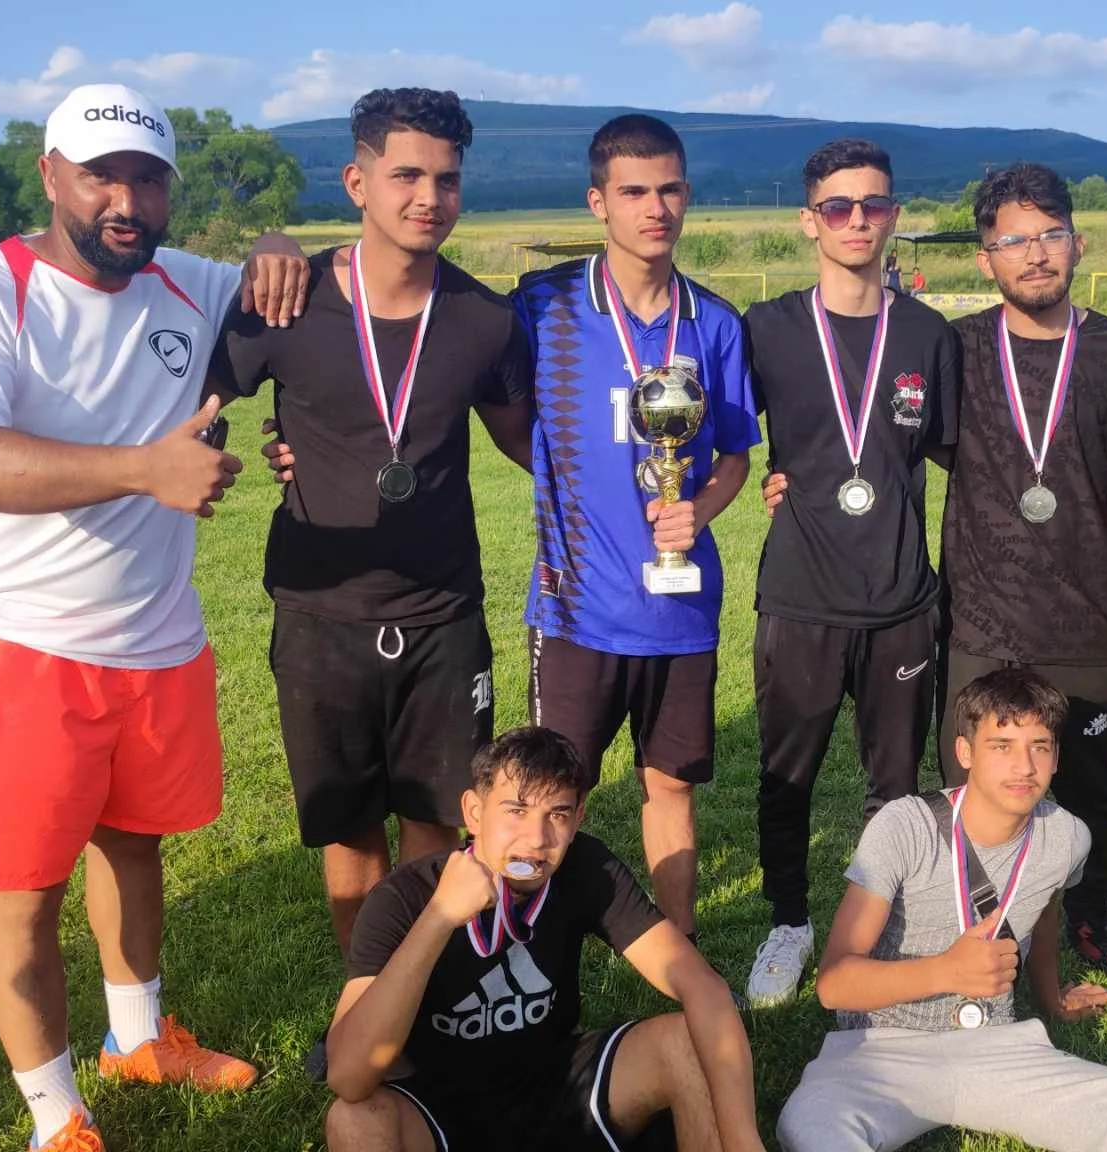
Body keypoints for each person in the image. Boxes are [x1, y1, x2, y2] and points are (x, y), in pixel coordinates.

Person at [0, 83, 309, 1150]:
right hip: (19, 644)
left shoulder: (193, 285)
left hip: (156, 640)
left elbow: (295, 276)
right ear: (50, 175)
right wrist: (144, 469)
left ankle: (138, 1042)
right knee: (22, 893)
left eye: (145, 177)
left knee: (135, 849)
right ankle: (57, 1117)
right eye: (100, 175)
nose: (123, 200)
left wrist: (277, 236)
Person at [212, 88, 533, 958]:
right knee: (349, 833)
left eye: (447, 179)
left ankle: (423, 1000)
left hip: (441, 613)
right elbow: (196, 405)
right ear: (357, 181)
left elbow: (528, 445)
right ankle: (364, 999)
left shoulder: (483, 317)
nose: (429, 197)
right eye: (406, 176)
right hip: (323, 613)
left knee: (437, 823)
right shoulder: (286, 297)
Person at [776, 668, 1107, 1151]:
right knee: (811, 1128)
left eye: (1039, 746)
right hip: (880, 1051)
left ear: (1057, 757)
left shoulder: (1068, 837)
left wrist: (1052, 1001)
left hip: (997, 1045)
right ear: (965, 752)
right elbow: (834, 985)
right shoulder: (904, 827)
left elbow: (1043, 914)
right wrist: (944, 972)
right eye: (1001, 745)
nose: (1023, 766)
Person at [937, 162, 1107, 994]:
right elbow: (889, 453)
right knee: (975, 786)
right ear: (985, 258)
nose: (1033, 254)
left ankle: (1093, 915)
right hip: (980, 617)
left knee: (1083, 787)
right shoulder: (957, 351)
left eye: (1048, 234)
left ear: (1077, 241)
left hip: (1085, 617)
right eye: (1012, 239)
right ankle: (969, 928)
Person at [514, 114, 759, 938]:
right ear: (599, 202)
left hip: (680, 608)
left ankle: (680, 957)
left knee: (671, 789)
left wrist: (702, 508)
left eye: (668, 189)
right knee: (548, 797)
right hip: (577, 605)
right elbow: (448, 362)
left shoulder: (715, 323)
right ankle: (534, 956)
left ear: (686, 196)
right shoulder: (543, 308)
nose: (654, 208)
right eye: (633, 192)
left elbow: (734, 457)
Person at [740, 138, 959, 1007]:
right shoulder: (769, 331)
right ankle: (789, 922)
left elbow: (955, 450)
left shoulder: (927, 333)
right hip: (800, 593)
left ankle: (877, 932)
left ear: (894, 217)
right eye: (839, 206)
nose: (857, 220)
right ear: (809, 222)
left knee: (896, 787)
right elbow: (716, 441)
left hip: (902, 598)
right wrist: (759, 477)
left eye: (873, 205)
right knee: (784, 774)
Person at [322, 727, 766, 1152]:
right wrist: (438, 918)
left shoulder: (586, 869)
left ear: (578, 819)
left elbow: (701, 987)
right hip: (434, 1105)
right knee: (355, 1119)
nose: (536, 840)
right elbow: (348, 1077)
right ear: (474, 812)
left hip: (553, 1086)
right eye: (516, 810)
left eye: (556, 814)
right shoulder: (403, 897)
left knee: (686, 1043)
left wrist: (744, 1142)